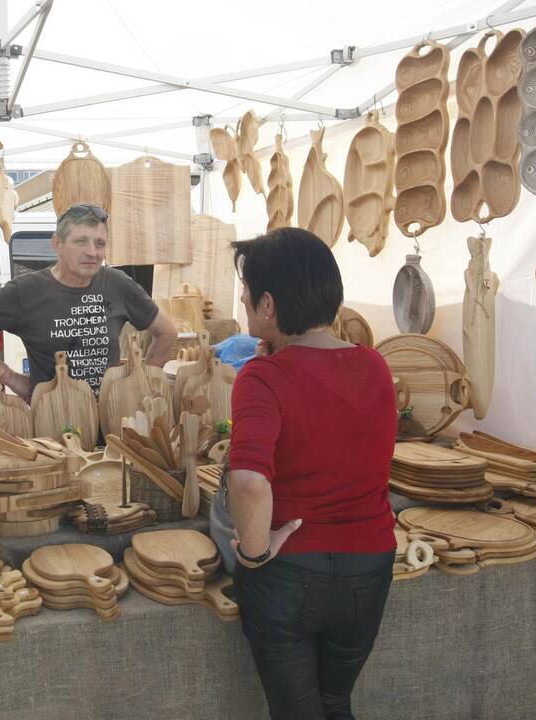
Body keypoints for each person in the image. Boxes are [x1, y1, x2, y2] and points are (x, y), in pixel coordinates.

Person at [213, 227, 397, 720]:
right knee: (335, 702)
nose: (245, 299)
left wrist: (253, 554)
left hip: (291, 573)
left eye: (248, 291)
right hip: (369, 566)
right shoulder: (375, 365)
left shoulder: (264, 377)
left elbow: (250, 482)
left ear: (268, 304)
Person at [0, 202, 176, 400]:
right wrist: (13, 380)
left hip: (110, 421)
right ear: (57, 244)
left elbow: (166, 332)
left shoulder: (117, 283)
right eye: (81, 242)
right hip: (52, 421)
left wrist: (141, 382)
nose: (92, 252)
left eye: (100, 243)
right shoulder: (26, 291)